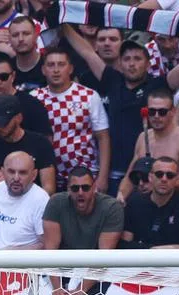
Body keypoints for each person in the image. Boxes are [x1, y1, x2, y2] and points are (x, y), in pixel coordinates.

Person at [61, 29, 166, 191]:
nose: (132, 64)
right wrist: (64, 25)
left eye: (137, 59)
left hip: (144, 174)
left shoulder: (157, 85)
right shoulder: (113, 80)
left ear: (148, 63)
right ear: (121, 62)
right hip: (112, 173)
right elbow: (87, 52)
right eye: (127, 59)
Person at [33, 49, 111, 192]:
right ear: (43, 70)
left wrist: (103, 177)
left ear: (70, 68)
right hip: (48, 178)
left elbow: (103, 137)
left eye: (61, 64)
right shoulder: (35, 98)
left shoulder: (88, 96)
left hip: (85, 176)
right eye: (51, 65)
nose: (56, 70)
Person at [116, 91, 179, 202]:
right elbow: (130, 176)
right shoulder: (143, 137)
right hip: (145, 203)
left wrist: (158, 180)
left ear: (173, 112)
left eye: (162, 112)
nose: (156, 116)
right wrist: (121, 195)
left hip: (173, 204)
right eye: (152, 111)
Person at [0, 95, 57, 200]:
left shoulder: (40, 143)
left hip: (30, 201)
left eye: (4, 123)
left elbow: (49, 188)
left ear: (18, 118)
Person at [42, 165, 122, 269]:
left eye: (85, 188)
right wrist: (58, 286)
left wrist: (78, 286)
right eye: (75, 188)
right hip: (62, 269)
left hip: (97, 273)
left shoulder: (112, 208)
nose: (80, 193)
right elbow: (50, 256)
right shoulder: (55, 203)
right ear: (68, 189)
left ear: (94, 188)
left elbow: (103, 260)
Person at [122, 156, 179, 249]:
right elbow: (125, 243)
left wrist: (169, 249)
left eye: (170, 175)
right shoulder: (134, 203)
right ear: (150, 177)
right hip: (142, 260)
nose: (164, 179)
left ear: (177, 178)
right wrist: (150, 251)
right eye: (159, 174)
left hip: (175, 260)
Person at [0, 150, 48, 250]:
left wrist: (12, 254)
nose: (16, 178)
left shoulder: (41, 199)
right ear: (3, 172)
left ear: (34, 175)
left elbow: (46, 245)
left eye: (22, 173)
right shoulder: (0, 188)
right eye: (11, 172)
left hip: (18, 264)